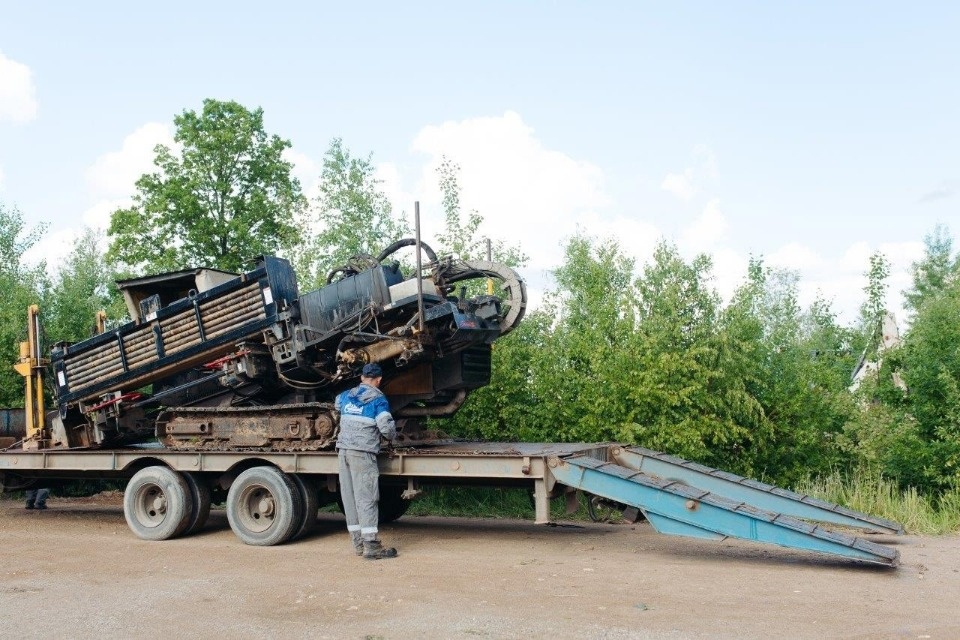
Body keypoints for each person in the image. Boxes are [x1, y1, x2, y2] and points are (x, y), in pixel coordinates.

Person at [335, 362, 398, 560]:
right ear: (379, 380)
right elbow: (386, 428)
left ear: (362, 378)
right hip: (362, 454)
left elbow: (337, 405)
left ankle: (358, 544)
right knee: (367, 498)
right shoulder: (378, 399)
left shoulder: (345, 395)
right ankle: (372, 546)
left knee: (350, 498)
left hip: (343, 451)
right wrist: (392, 437)